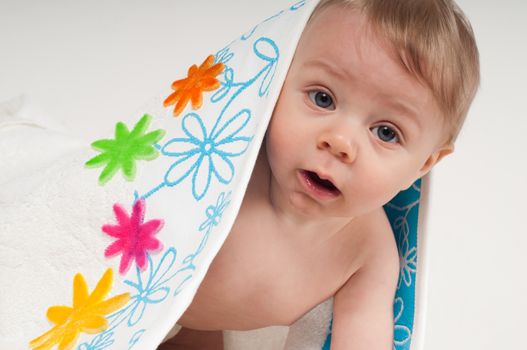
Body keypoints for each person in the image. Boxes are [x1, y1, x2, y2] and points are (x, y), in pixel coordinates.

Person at [159, 0, 480, 348]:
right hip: (140, 299)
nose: (340, 141)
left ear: (423, 165)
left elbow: (363, 338)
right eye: (323, 99)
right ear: (280, 78)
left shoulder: (368, 254)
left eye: (386, 132)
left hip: (208, 329)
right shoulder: (230, 162)